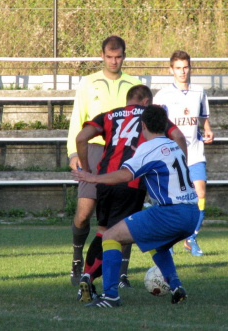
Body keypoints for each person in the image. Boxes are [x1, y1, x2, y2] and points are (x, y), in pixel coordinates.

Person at [72, 105, 199, 308]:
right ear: (165, 125)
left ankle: (111, 295)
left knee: (110, 236)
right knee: (158, 244)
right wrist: (139, 154)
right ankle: (176, 286)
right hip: (192, 214)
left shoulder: (148, 148)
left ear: (143, 125)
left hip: (170, 212)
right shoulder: (173, 145)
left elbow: (125, 175)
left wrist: (92, 177)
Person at [67, 36, 141, 287]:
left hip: (124, 154)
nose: (113, 61)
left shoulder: (134, 84)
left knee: (126, 214)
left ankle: (121, 272)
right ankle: (77, 259)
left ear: (124, 56)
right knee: (85, 212)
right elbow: (78, 119)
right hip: (95, 151)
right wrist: (74, 153)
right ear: (102, 56)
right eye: (109, 57)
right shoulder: (88, 83)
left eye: (118, 56)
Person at [153, 50, 214, 257]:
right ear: (171, 70)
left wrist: (207, 129)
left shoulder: (199, 92)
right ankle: (169, 240)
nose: (182, 71)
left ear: (190, 68)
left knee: (200, 194)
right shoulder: (162, 96)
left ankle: (191, 238)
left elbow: (203, 118)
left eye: (185, 67)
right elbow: (154, 125)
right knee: (173, 200)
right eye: (178, 68)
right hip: (172, 156)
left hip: (195, 152)